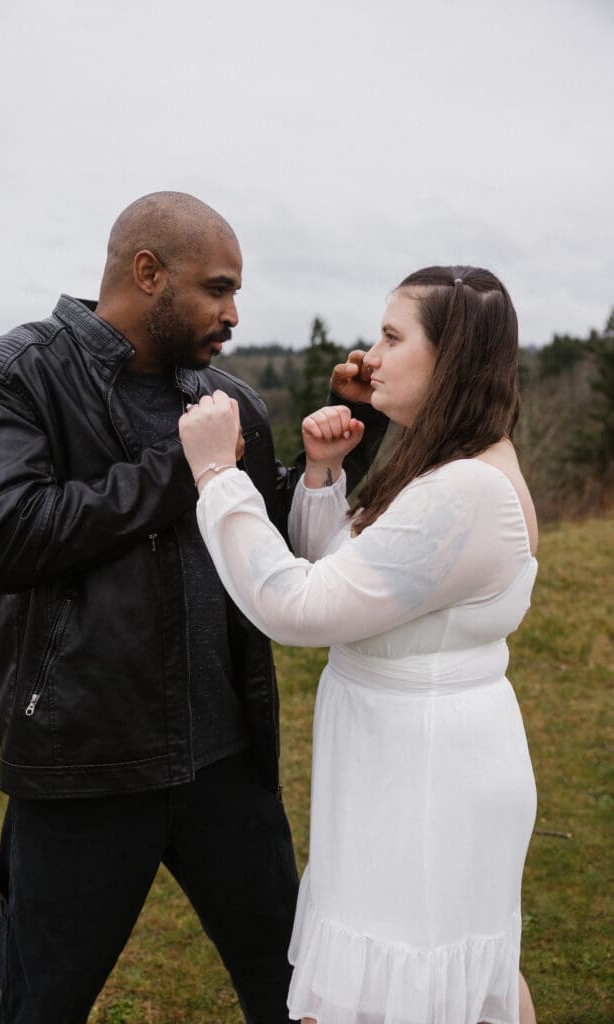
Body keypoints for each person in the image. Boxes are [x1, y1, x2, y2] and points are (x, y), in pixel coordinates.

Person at [0, 191, 386, 1024]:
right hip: (83, 764)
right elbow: (11, 538)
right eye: (216, 289)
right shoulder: (14, 375)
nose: (233, 312)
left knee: (299, 997)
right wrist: (182, 467)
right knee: (41, 1007)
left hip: (223, 764)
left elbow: (265, 540)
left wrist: (343, 436)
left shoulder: (230, 401)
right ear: (147, 273)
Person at [178, 265, 539, 1024]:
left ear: (450, 358)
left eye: (390, 336)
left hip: (427, 778)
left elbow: (300, 607)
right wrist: (322, 474)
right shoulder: (438, 463)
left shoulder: (463, 492)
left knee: (415, 982)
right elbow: (345, 578)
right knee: (435, 982)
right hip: (393, 763)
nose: (368, 356)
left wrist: (217, 475)